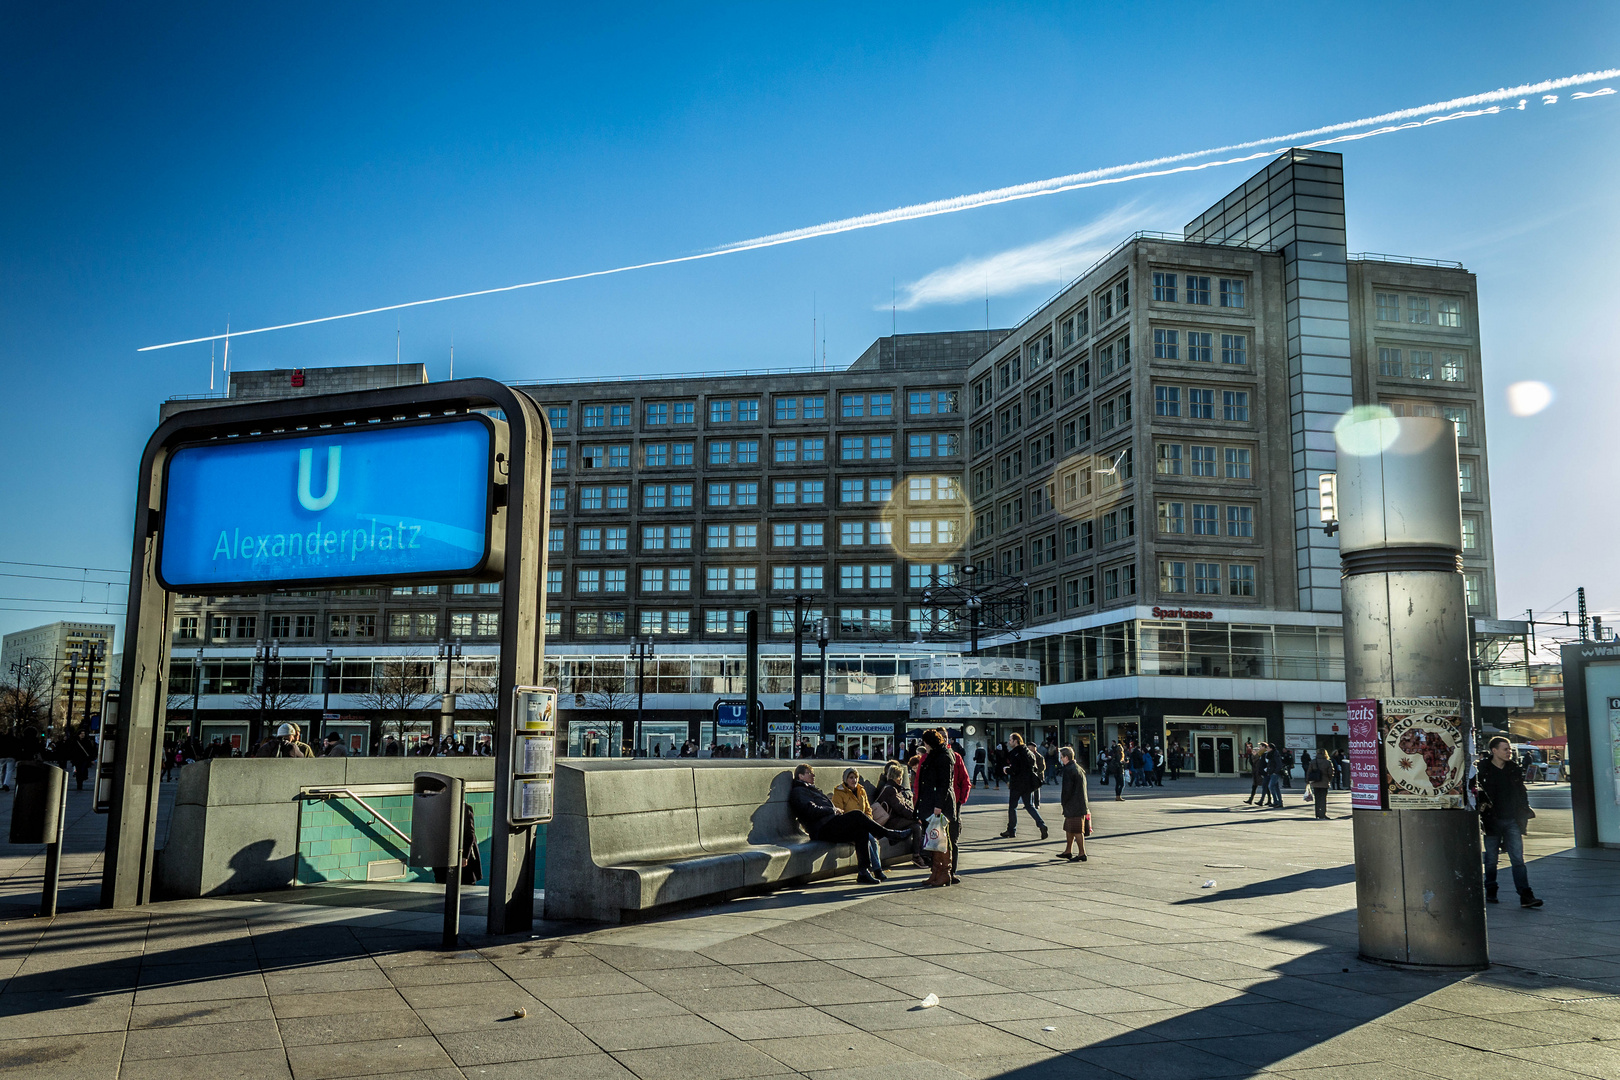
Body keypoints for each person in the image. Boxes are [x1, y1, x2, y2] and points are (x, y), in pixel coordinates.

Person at [787, 763, 906, 885]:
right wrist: (833, 810)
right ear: (800, 776)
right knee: (857, 814)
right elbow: (810, 811)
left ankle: (863, 872)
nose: (813, 775)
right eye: (809, 773)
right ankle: (888, 834)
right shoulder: (799, 791)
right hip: (822, 828)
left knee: (861, 832)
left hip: (830, 824)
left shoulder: (809, 789)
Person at [1476, 736, 1543, 908]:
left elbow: (1521, 792)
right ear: (1494, 751)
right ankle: (1491, 889)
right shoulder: (1481, 770)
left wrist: (1524, 811)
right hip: (1491, 820)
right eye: (1505, 749)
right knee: (1491, 859)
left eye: (1510, 749)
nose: (1509, 752)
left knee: (1518, 859)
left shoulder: (1513, 769)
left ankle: (1525, 895)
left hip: (1512, 819)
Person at [914, 729, 961, 885]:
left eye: (925, 742)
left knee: (941, 840)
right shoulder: (935, 755)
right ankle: (935, 872)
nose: (924, 745)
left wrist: (938, 806)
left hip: (939, 805)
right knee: (934, 839)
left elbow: (944, 784)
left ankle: (945, 873)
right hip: (930, 803)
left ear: (929, 743)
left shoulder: (944, 756)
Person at [999, 732, 1048, 839]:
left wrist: (1007, 770)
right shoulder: (1028, 752)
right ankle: (1041, 824)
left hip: (1017, 784)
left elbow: (1015, 770)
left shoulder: (1014, 753)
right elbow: (1034, 768)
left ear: (1015, 741)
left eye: (1010, 740)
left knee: (1012, 807)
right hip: (1028, 784)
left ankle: (1011, 830)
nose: (1008, 742)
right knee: (1029, 806)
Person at [872, 760, 921, 868]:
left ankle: (918, 854)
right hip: (890, 822)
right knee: (917, 823)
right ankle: (917, 855)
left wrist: (916, 815)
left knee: (916, 826)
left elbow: (904, 806)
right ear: (898, 777)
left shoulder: (894, 788)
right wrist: (916, 817)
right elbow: (900, 808)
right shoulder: (891, 790)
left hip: (895, 820)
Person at [832, 768, 881, 873]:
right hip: (849, 827)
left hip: (863, 824)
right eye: (851, 778)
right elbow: (839, 813)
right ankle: (876, 870)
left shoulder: (861, 790)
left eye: (856, 777)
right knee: (868, 839)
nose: (854, 780)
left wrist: (868, 822)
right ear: (845, 779)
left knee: (873, 839)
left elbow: (868, 809)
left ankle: (876, 868)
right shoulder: (839, 793)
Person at [1056, 746, 1089, 862]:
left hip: (1073, 804)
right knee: (1069, 829)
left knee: (1077, 830)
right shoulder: (1077, 768)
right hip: (1078, 803)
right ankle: (1068, 850)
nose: (1060, 759)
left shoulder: (1069, 770)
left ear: (1066, 757)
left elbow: (1067, 789)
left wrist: (1064, 802)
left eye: (1061, 757)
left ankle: (1081, 853)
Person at [1306, 749, 1332, 819]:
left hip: (1315, 782)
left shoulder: (1313, 761)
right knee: (1323, 799)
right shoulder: (1328, 762)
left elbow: (1309, 771)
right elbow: (1331, 773)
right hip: (1324, 783)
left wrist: (1308, 780)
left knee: (1317, 799)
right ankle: (1323, 814)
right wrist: (1328, 779)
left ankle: (1317, 814)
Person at [1264, 743, 1284, 808]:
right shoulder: (1271, 754)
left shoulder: (1275, 754)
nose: (1266, 749)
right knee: (1276, 787)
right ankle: (1279, 802)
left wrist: (1275, 772)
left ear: (1271, 748)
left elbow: (1279, 764)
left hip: (1275, 773)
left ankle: (1276, 801)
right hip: (1272, 772)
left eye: (1268, 748)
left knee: (1271, 786)